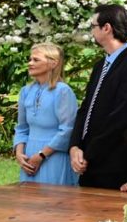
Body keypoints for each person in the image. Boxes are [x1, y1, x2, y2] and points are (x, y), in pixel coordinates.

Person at [69, 5, 127, 189]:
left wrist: (89, 152)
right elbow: (86, 108)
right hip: (89, 163)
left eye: (93, 26)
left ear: (106, 28)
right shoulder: (100, 65)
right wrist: (75, 146)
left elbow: (123, 118)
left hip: (114, 164)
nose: (91, 31)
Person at [14, 43, 79, 188]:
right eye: (30, 59)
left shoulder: (63, 91)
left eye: (36, 60)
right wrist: (19, 154)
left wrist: (42, 155)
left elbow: (67, 129)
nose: (30, 63)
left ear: (53, 63)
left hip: (53, 157)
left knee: (53, 198)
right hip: (29, 158)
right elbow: (22, 128)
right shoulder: (26, 91)